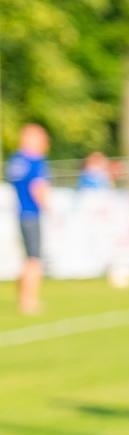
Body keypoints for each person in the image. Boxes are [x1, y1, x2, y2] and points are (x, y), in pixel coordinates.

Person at [6, 123, 51, 314]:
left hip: (19, 212)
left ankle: (23, 298)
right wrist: (48, 206)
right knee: (34, 258)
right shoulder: (34, 161)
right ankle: (29, 300)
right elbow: (38, 187)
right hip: (31, 213)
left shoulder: (16, 160)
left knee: (27, 258)